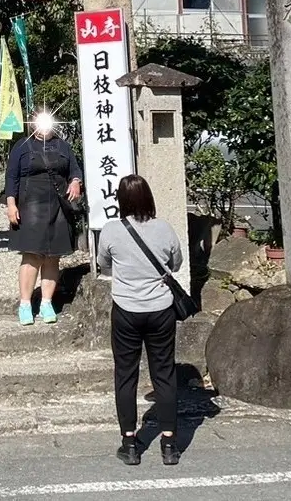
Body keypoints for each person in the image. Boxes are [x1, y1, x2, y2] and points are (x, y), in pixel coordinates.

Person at [97, 174, 183, 468]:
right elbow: (176, 263)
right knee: (164, 373)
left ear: (121, 201)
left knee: (125, 374)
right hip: (161, 309)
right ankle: (170, 443)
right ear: (149, 198)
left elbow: (103, 264)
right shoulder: (165, 229)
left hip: (126, 309)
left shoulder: (111, 231)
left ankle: (130, 442)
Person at [5, 124, 82, 325]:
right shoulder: (22, 146)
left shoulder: (63, 146)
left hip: (58, 204)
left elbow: (75, 169)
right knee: (32, 255)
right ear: (32, 123)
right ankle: (25, 304)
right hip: (30, 205)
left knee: (52, 256)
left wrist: (75, 182)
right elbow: (11, 177)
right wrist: (11, 204)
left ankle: (47, 302)